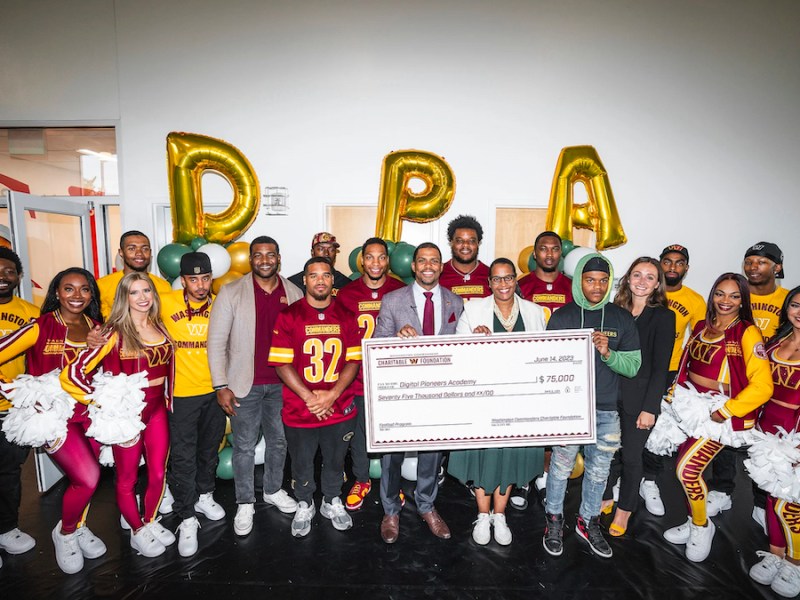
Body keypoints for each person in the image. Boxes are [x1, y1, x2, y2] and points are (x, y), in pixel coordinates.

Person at [62, 272, 176, 559]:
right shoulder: (113, 332)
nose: (143, 297)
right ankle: (136, 530)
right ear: (124, 298)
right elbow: (74, 372)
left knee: (159, 471)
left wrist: (169, 400)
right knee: (126, 479)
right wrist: (100, 401)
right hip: (127, 415)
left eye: (147, 291)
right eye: (135, 292)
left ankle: (149, 520)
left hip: (157, 410)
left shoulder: (159, 325)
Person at [0, 267, 106, 574]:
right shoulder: (40, 326)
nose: (77, 296)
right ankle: (65, 533)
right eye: (68, 289)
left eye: (84, 289)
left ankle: (78, 524)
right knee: (87, 478)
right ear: (56, 293)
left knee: (85, 479)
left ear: (91, 294)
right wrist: (17, 391)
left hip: (89, 413)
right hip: (54, 417)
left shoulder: (97, 327)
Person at [662, 273, 772, 563]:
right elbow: (686, 363)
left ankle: (701, 526)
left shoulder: (746, 332)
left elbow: (763, 385)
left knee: (686, 471)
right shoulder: (701, 326)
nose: (726, 301)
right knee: (687, 472)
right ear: (712, 296)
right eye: (720, 294)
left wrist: (727, 410)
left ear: (742, 300)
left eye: (734, 296)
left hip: (718, 413)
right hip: (690, 406)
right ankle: (694, 518)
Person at [542, 253, 641, 560]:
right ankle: (554, 522)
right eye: (589, 280)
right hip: (569, 408)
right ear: (578, 282)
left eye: (602, 281)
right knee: (559, 469)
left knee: (599, 473)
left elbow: (633, 366)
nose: (596, 287)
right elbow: (544, 363)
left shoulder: (621, 318)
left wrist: (608, 352)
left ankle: (588, 522)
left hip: (606, 409)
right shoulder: (562, 317)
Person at [447, 258, 546, 546]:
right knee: (483, 455)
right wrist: (473, 341)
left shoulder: (534, 312)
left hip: (519, 400)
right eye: (497, 279)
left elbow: (542, 356)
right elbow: (458, 354)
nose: (503, 284)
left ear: (516, 280)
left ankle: (500, 515)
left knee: (510, 455)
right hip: (483, 399)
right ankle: (482, 513)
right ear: (488, 283)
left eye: (508, 278)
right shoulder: (473, 309)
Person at [207, 236, 302, 537]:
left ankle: (273, 490)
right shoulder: (231, 292)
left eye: (270, 254)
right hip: (242, 385)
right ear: (251, 259)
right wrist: (220, 384)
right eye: (258, 255)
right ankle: (245, 501)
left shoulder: (295, 292)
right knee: (244, 447)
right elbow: (216, 341)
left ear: (278, 258)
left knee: (279, 442)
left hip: (282, 385)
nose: (264, 260)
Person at [374, 242, 464, 544]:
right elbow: (377, 342)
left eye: (434, 261)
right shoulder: (392, 300)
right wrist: (394, 339)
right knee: (392, 454)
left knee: (432, 454)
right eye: (422, 261)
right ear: (413, 266)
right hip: (401, 391)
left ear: (441, 266)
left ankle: (426, 505)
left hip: (438, 392)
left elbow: (461, 346)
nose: (428, 266)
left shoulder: (455, 302)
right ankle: (390, 510)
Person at [268, 257, 362, 537]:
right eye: (314, 275)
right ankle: (305, 502)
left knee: (335, 461)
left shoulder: (346, 315)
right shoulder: (289, 315)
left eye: (326, 275)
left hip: (339, 405)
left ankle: (332, 499)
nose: (320, 280)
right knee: (301, 462)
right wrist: (311, 398)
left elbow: (353, 361)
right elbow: (282, 363)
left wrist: (332, 395)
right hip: (301, 407)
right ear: (305, 280)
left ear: (333, 280)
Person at [600, 257, 674, 536]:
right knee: (607, 453)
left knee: (631, 456)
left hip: (639, 400)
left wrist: (650, 408)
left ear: (657, 284)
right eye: (637, 275)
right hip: (608, 394)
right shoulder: (613, 311)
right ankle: (607, 496)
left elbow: (660, 367)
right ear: (628, 278)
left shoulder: (664, 317)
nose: (642, 281)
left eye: (650, 277)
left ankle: (625, 509)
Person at [160, 252, 226, 556]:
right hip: (181, 393)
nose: (200, 285)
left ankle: (205, 495)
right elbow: (132, 322)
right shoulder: (165, 302)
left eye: (205, 278)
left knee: (209, 449)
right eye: (193, 279)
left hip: (214, 391)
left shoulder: (221, 304)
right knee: (184, 456)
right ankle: (186, 516)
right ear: (182, 280)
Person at [336, 237, 405, 511]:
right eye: (370, 257)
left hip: (391, 377)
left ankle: (392, 484)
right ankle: (361, 479)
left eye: (381, 257)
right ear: (362, 260)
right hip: (358, 376)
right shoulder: (347, 294)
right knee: (360, 433)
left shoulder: (401, 289)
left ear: (387, 260)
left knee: (392, 434)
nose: (375, 263)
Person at [637, 244, 706, 516]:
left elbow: (701, 338)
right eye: (667, 262)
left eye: (679, 263)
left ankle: (650, 480)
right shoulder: (645, 294)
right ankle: (626, 477)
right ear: (659, 265)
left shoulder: (695, 299)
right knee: (629, 423)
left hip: (671, 371)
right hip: (637, 369)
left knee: (659, 429)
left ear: (686, 268)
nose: (673, 267)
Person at [512, 231, 574, 509]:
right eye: (543, 249)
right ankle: (523, 477)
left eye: (554, 249)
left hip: (561, 366)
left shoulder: (574, 286)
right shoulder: (521, 285)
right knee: (524, 423)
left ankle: (546, 477)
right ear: (534, 254)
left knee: (553, 426)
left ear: (561, 253)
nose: (549, 254)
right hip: (527, 365)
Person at [745, 285, 800, 597]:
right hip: (765, 431)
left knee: (790, 504)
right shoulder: (776, 341)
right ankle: (776, 554)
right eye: (795, 305)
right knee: (770, 496)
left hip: (794, 436)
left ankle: (795, 562)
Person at [0, 248, 39, 568]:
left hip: (14, 409)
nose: (3, 276)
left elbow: (38, 362)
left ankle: (6, 528)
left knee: (9, 473)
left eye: (9, 271)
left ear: (18, 277)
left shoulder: (30, 313)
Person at [96, 231, 171, 319]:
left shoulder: (164, 286)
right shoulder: (102, 285)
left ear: (150, 253)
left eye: (145, 249)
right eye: (132, 249)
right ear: (121, 252)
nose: (139, 253)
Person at [438, 214, 491, 300]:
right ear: (451, 242)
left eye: (471, 241)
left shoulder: (491, 275)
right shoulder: (438, 274)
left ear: (478, 243)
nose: (465, 245)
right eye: (459, 241)